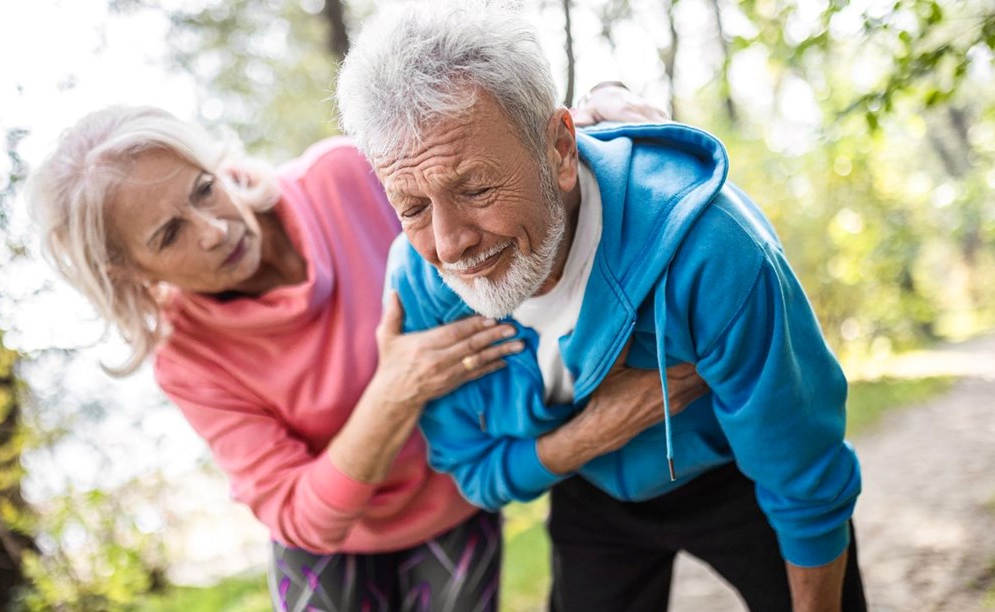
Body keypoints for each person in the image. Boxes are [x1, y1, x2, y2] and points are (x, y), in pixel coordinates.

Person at [25, 89, 696, 609]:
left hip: (449, 498)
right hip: (329, 538)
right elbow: (295, 511)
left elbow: (489, 170)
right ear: (129, 272)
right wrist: (395, 390)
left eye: (204, 188)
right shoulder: (187, 358)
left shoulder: (344, 176)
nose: (214, 228)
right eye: (169, 234)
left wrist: (599, 105)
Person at [335, 1, 868, 611]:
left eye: (476, 188)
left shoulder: (713, 247)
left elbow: (802, 475)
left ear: (560, 149)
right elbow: (475, 473)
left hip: (735, 473)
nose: (450, 244)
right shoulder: (421, 283)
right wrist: (589, 435)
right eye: (412, 208)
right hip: (589, 488)